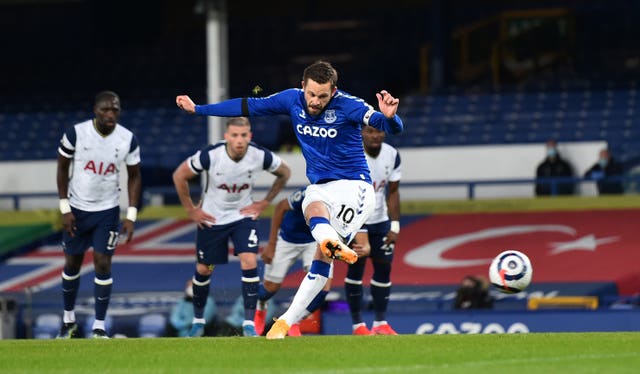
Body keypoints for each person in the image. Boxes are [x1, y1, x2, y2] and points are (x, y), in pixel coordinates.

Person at [176, 60, 403, 339]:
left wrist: (391, 117)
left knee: (318, 240)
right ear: (302, 87)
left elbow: (385, 125)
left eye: (322, 96)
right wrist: (199, 109)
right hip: (323, 188)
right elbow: (247, 105)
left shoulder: (349, 105)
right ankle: (283, 323)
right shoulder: (291, 99)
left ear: (334, 91)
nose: (315, 101)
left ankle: (324, 246)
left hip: (355, 188)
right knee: (312, 213)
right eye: (311, 94)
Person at [172, 116, 291, 337]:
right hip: (212, 218)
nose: (239, 140)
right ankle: (198, 321)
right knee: (203, 269)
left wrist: (264, 202)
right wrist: (191, 210)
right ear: (226, 136)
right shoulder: (211, 155)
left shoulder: (259, 155)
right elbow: (180, 175)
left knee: (249, 260)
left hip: (242, 216)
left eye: (243, 135)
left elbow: (284, 173)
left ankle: (248, 324)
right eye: (234, 135)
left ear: (250, 136)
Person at [55, 90, 141, 339]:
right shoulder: (76, 133)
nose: (110, 114)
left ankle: (99, 326)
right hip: (77, 209)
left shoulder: (127, 139)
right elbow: (62, 169)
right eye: (105, 109)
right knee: (72, 262)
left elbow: (135, 176)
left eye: (114, 109)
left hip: (108, 210)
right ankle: (68, 321)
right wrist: (65, 209)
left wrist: (131, 215)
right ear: (95, 109)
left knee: (103, 263)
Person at [344, 126, 401, 335]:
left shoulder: (392, 155)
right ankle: (358, 325)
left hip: (381, 221)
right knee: (356, 268)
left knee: (384, 269)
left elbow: (393, 191)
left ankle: (380, 324)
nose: (375, 135)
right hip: (356, 220)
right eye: (370, 131)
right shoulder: (351, 152)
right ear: (361, 132)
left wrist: (395, 225)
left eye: (379, 131)